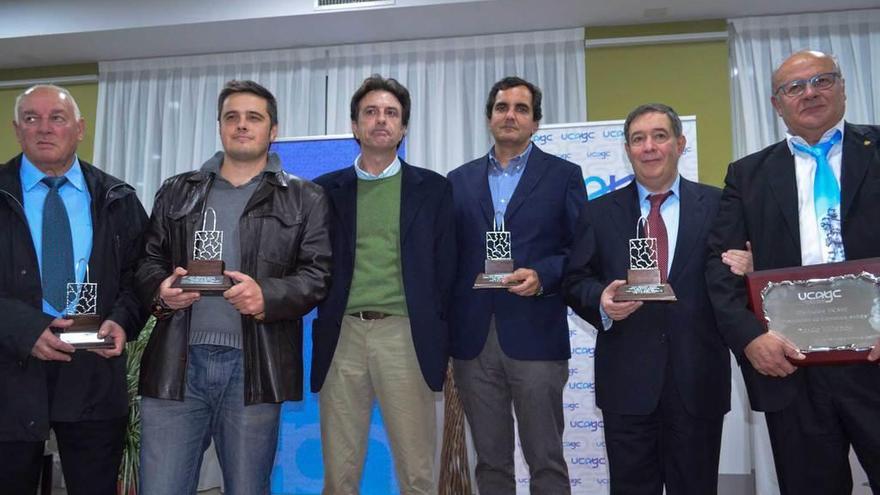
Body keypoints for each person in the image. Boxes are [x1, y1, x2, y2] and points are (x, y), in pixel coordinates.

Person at [135, 80, 331, 495]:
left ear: (273, 130)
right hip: (176, 365)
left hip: (254, 370)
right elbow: (147, 261)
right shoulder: (176, 190)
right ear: (220, 126)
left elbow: (317, 276)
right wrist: (161, 290)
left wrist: (266, 296)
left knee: (247, 488)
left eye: (254, 118)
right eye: (232, 117)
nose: (242, 126)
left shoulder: (304, 197)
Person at [706, 49, 880, 494]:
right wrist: (750, 339)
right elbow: (720, 268)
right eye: (794, 87)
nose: (810, 93)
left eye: (822, 80)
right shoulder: (747, 175)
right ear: (776, 103)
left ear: (842, 87)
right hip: (792, 368)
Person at [563, 103, 731, 494]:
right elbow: (575, 280)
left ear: (680, 143)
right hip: (627, 383)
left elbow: (733, 279)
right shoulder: (597, 212)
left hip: (697, 380)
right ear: (627, 149)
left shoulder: (720, 205)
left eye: (659, 136)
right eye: (638, 139)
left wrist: (750, 263)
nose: (649, 147)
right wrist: (600, 300)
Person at [0, 84, 148, 494]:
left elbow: (141, 275)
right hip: (9, 370)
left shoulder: (118, 198)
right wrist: (26, 330)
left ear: (79, 128)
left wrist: (121, 320)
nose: (44, 128)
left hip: (94, 371)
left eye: (57, 118)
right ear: (17, 129)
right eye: (31, 118)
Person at [311, 74, 455, 495]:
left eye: (391, 113)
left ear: (404, 127)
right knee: (340, 474)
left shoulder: (433, 189)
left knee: (417, 473)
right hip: (343, 337)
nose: (380, 120)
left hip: (406, 335)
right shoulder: (324, 191)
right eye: (370, 112)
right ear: (354, 126)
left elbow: (446, 270)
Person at [447, 76, 586, 494]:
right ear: (490, 118)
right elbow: (446, 258)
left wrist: (543, 275)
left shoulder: (564, 176)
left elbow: (580, 251)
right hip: (472, 340)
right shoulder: (457, 180)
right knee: (490, 463)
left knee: (545, 460)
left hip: (536, 335)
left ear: (535, 122)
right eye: (502, 107)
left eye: (521, 109)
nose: (510, 115)